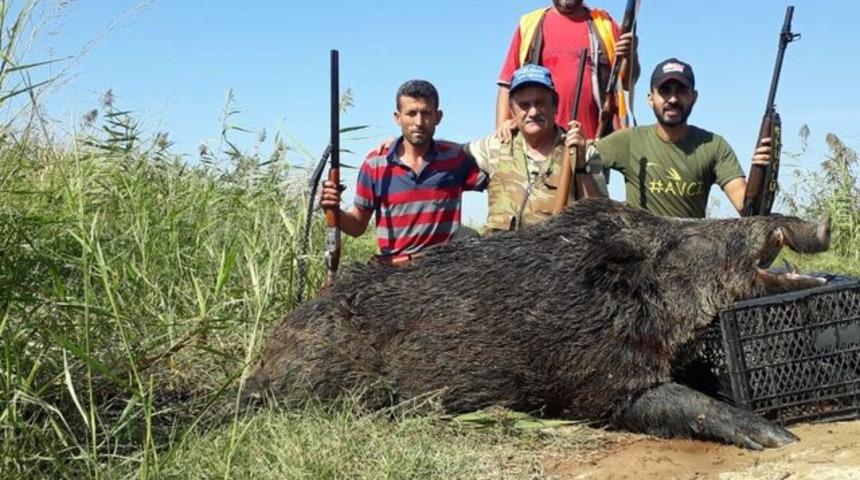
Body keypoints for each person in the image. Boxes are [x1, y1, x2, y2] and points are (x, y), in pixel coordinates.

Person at [567, 58, 772, 218]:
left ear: (694, 96)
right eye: (664, 91)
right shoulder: (628, 140)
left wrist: (763, 172)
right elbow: (580, 162)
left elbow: (747, 210)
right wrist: (577, 148)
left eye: (681, 91)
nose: (673, 99)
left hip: (690, 257)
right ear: (650, 98)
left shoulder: (715, 146)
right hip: (639, 260)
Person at [319, 80, 488, 264]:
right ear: (397, 117)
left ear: (438, 117)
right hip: (393, 272)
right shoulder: (375, 164)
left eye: (426, 113)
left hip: (442, 269)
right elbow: (357, 226)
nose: (419, 122)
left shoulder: (455, 157)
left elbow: (497, 179)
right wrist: (333, 209)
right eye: (411, 113)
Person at [467, 64, 607, 233]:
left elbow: (602, 218)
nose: (533, 112)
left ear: (555, 107)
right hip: (496, 256)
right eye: (524, 105)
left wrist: (581, 167)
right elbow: (444, 156)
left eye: (540, 103)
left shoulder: (584, 152)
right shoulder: (495, 145)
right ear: (512, 111)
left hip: (553, 257)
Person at [496, 0, 639, 141]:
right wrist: (503, 131)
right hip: (543, 146)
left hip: (598, 143)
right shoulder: (530, 25)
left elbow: (627, 83)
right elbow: (507, 83)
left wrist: (630, 55)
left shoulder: (605, 24)